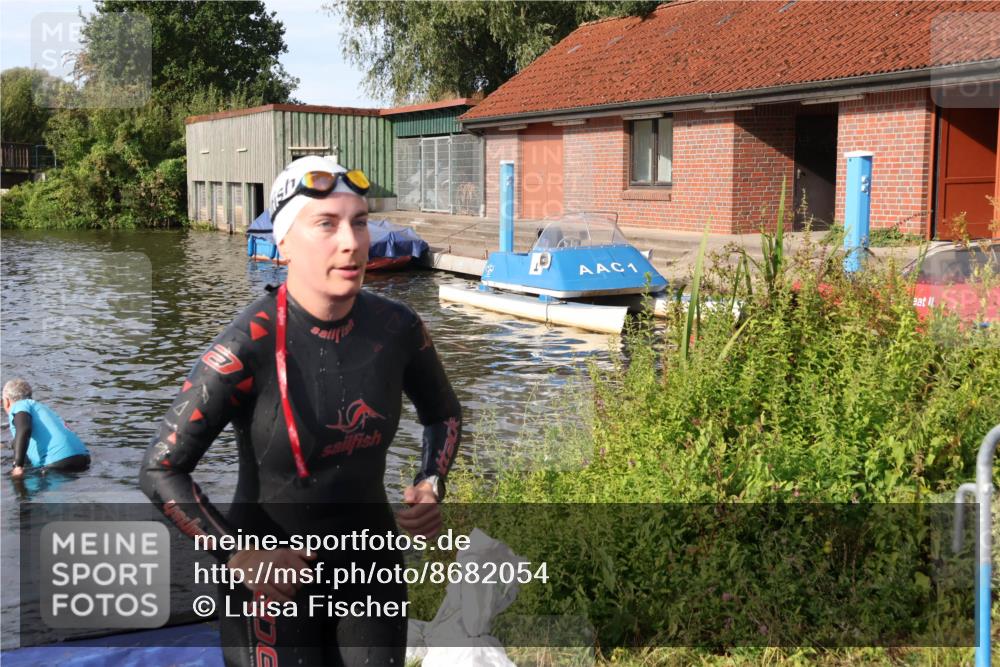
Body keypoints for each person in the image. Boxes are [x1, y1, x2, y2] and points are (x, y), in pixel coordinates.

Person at [139, 155, 462, 666]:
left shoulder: (398, 328)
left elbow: (443, 414)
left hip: (370, 569)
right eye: (326, 224)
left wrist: (430, 482)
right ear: (284, 242)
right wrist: (237, 554)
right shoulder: (246, 345)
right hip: (272, 580)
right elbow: (160, 469)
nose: (351, 242)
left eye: (360, 222)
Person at [4, 378, 91, 478]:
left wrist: (18, 466)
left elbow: (24, 429)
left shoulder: (19, 406)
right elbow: (22, 440)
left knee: (18, 481)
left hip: (59, 462)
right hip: (83, 458)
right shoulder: (40, 408)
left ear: (7, 401)